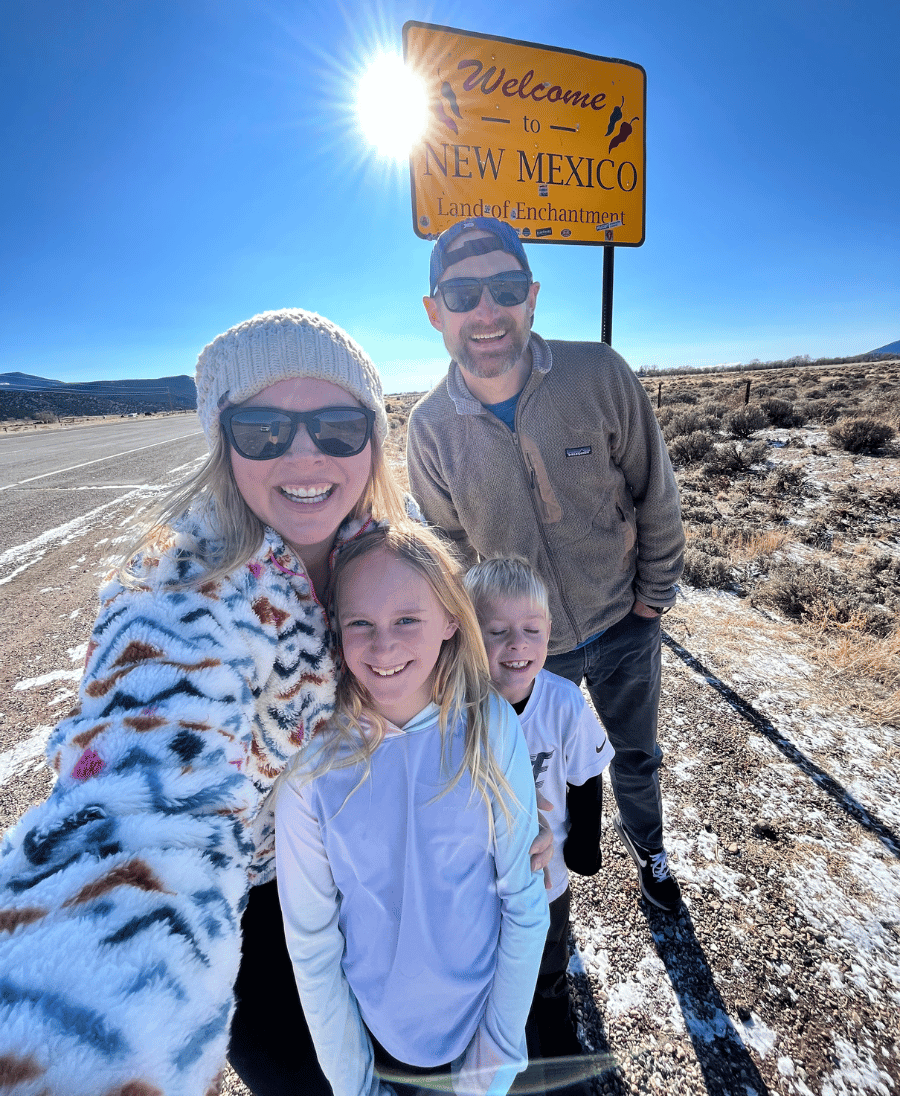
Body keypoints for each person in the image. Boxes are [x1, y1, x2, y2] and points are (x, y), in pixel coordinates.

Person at [0, 308, 554, 1096]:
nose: (304, 452)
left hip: (376, 871)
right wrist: (69, 1024)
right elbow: (134, 816)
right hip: (254, 912)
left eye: (336, 425)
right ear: (223, 438)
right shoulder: (176, 605)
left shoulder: (383, 541)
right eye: (263, 428)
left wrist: (514, 799)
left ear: (372, 437)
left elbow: (469, 672)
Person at [406, 217, 686, 914]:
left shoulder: (598, 373)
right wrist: (492, 638)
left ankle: (648, 853)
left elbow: (656, 491)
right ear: (435, 312)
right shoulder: (430, 428)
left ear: (532, 297)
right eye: (463, 293)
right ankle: (545, 890)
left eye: (504, 288)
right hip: (526, 653)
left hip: (625, 623)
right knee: (529, 775)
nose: (486, 310)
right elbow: (448, 549)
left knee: (636, 758)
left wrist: (651, 600)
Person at [275, 523, 549, 1096]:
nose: (384, 646)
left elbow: (524, 905)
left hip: (483, 1028)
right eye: (360, 624)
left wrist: (492, 1062)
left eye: (407, 620)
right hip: (375, 1040)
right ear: (335, 629)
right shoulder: (310, 769)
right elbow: (313, 942)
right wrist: (355, 1085)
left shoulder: (490, 727)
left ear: (452, 619)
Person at [464, 557, 613, 1065]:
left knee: (550, 939)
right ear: (465, 633)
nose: (517, 645)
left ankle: (549, 1000)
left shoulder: (564, 703)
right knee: (489, 947)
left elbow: (587, 772)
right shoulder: (454, 707)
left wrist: (586, 841)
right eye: (497, 631)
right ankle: (495, 1015)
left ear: (550, 631)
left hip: (546, 871)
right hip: (478, 872)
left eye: (532, 629)